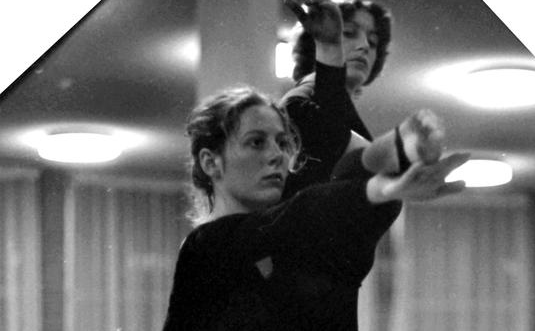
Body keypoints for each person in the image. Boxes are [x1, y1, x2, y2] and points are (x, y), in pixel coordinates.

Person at [161, 86, 469, 330]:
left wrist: (385, 169)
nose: (277, 155)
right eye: (256, 142)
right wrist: (380, 185)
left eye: (282, 143)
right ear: (210, 162)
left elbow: (332, 201)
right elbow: (296, 217)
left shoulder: (302, 235)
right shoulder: (204, 250)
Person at [281, 0, 396, 199]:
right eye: (349, 33)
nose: (364, 45)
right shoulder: (300, 102)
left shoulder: (323, 104)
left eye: (372, 41)